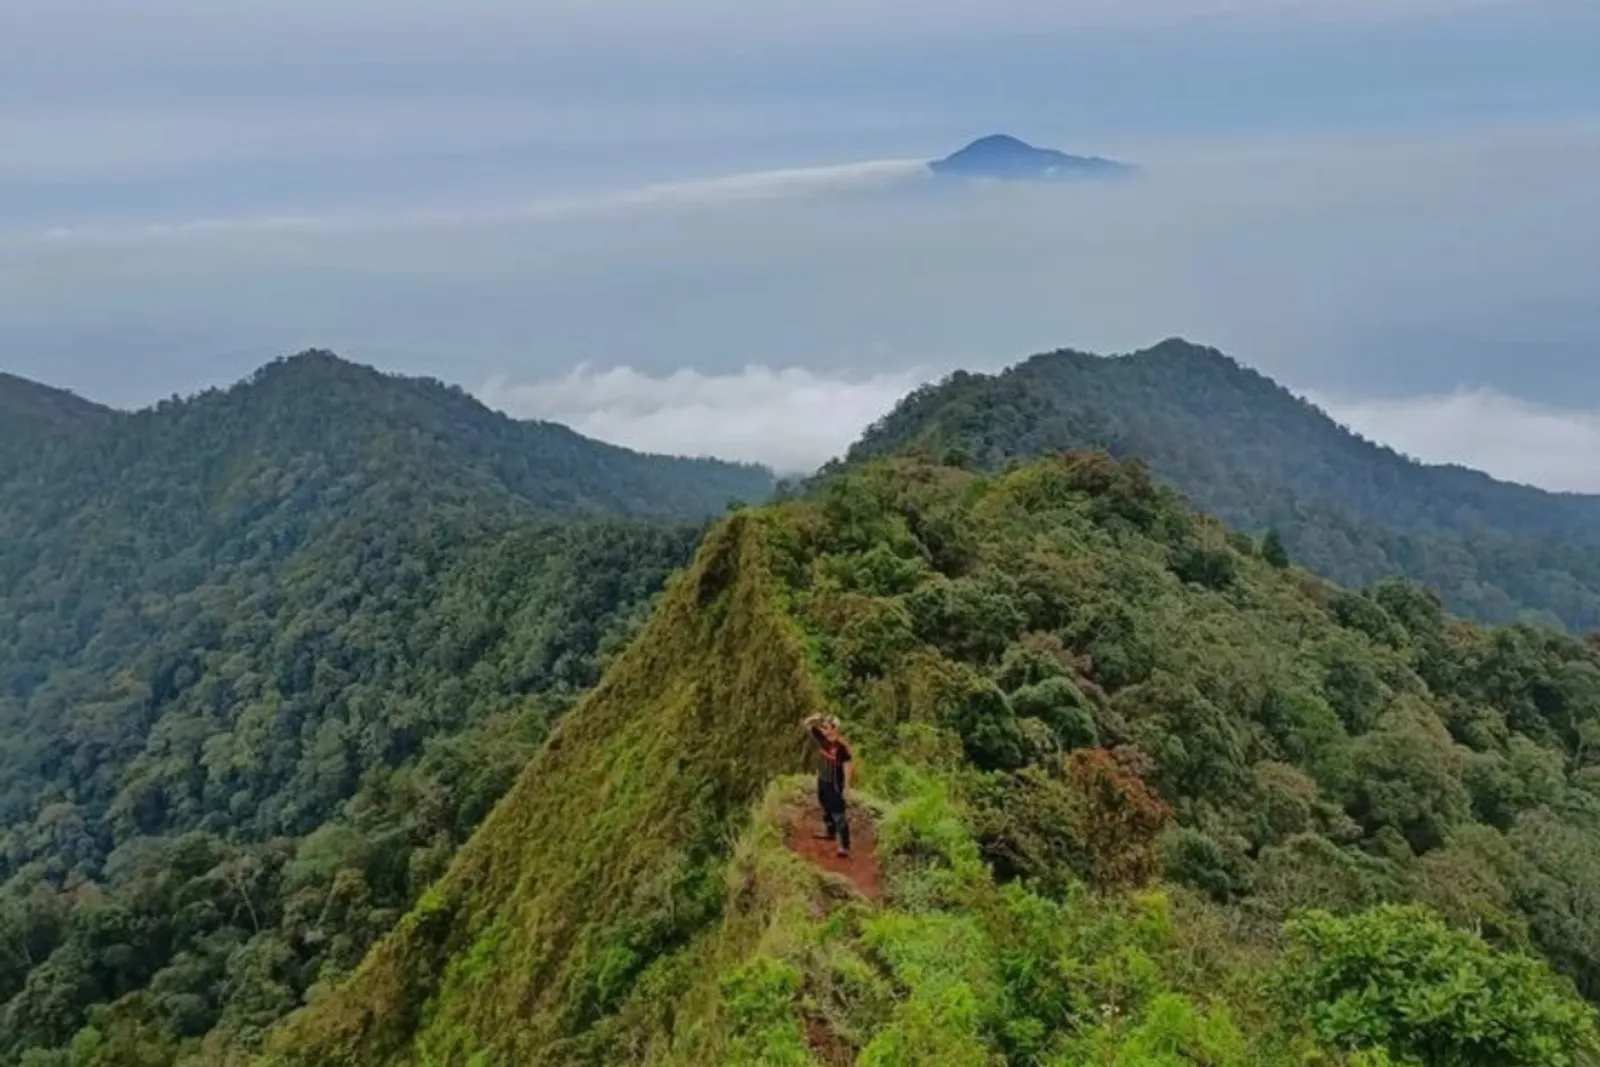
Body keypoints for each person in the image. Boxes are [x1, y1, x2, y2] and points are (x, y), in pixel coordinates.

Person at [802, 713, 853, 857]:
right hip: (823, 779)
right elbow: (807, 724)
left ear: (834, 729)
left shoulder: (842, 747)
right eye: (822, 726)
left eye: (826, 727)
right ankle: (829, 832)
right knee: (824, 806)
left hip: (835, 783)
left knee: (838, 813)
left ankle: (844, 846)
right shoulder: (821, 738)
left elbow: (848, 765)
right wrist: (815, 718)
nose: (823, 729)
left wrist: (847, 787)